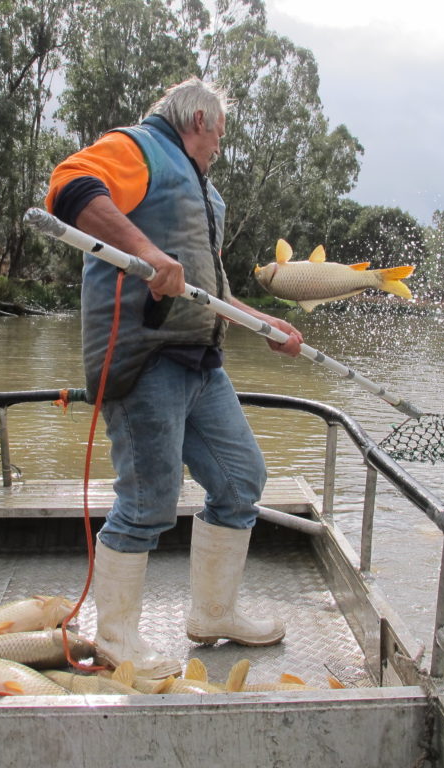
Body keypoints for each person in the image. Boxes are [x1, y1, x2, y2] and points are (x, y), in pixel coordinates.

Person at [45, 77, 303, 679]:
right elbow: (70, 187)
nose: (220, 146)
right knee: (148, 501)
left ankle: (214, 615)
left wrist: (265, 323)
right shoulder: (138, 148)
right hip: (145, 357)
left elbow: (213, 290)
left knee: (242, 480)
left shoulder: (205, 193)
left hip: (200, 361)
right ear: (199, 121)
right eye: (220, 134)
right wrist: (148, 253)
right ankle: (115, 639)